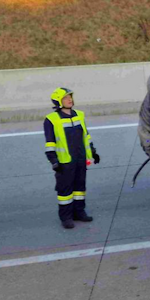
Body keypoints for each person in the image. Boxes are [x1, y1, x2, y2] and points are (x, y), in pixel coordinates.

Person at [44, 88, 100, 229]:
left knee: (80, 188)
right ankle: (66, 217)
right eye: (66, 98)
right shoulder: (51, 119)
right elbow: (50, 142)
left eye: (70, 97)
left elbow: (86, 136)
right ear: (58, 101)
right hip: (64, 161)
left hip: (80, 158)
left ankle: (79, 212)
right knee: (65, 191)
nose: (70, 100)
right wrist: (54, 161)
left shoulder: (79, 115)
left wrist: (93, 152)